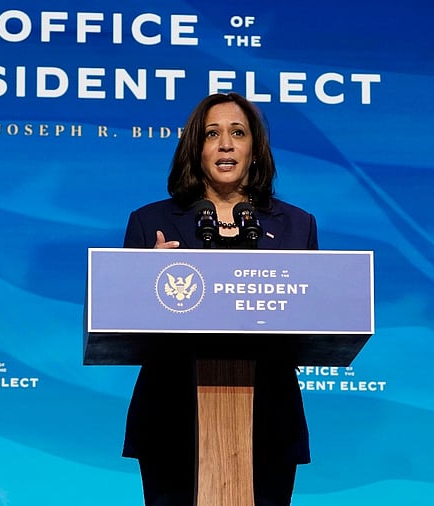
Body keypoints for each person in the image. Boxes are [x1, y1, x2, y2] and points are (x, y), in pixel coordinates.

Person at [121, 92, 317, 506]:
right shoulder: (150, 223)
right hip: (171, 417)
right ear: (196, 149)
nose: (226, 143)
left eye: (238, 133)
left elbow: (313, 320)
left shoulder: (297, 227)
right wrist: (144, 280)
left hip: (268, 418)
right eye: (212, 134)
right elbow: (122, 323)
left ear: (254, 150)